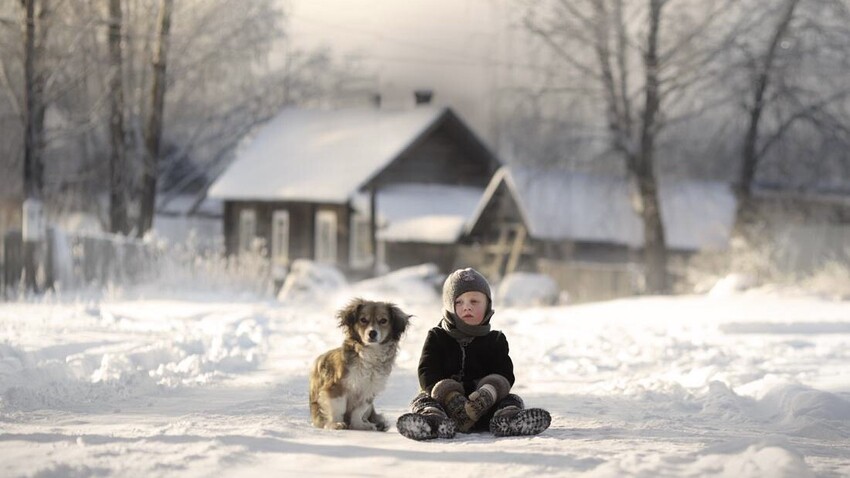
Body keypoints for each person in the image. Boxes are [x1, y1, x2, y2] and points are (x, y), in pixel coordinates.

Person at [396, 267, 551, 440]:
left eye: (474, 302)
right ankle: (433, 423)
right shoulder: (437, 336)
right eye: (459, 302)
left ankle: (507, 420)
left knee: (512, 399)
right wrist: (449, 396)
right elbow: (427, 372)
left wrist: (489, 392)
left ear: (487, 306)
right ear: (449, 307)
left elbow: (504, 373)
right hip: (445, 407)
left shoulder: (496, 339)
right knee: (422, 399)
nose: (467, 307)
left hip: (485, 407)